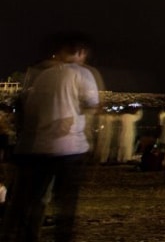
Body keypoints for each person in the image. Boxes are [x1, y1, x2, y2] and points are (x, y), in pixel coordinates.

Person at [3, 32, 101, 242]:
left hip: (36, 147)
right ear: (81, 53)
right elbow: (92, 105)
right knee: (66, 203)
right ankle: (62, 236)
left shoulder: (40, 74)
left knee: (35, 199)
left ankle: (28, 235)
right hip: (69, 147)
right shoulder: (82, 74)